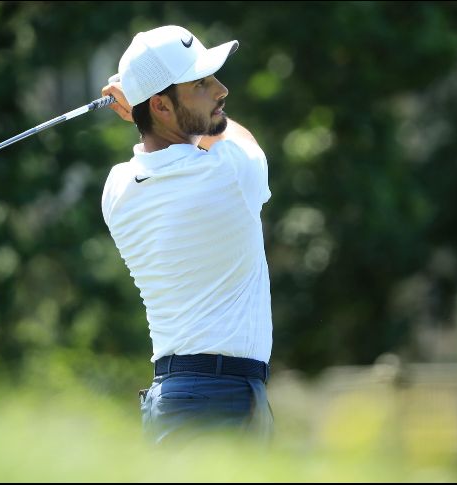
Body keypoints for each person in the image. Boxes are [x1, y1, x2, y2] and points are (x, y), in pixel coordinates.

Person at [99, 25, 273, 445]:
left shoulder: (117, 189)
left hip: (170, 396)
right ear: (161, 105)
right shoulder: (231, 172)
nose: (221, 90)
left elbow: (168, 149)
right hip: (225, 398)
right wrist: (138, 108)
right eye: (201, 83)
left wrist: (142, 107)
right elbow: (234, 136)